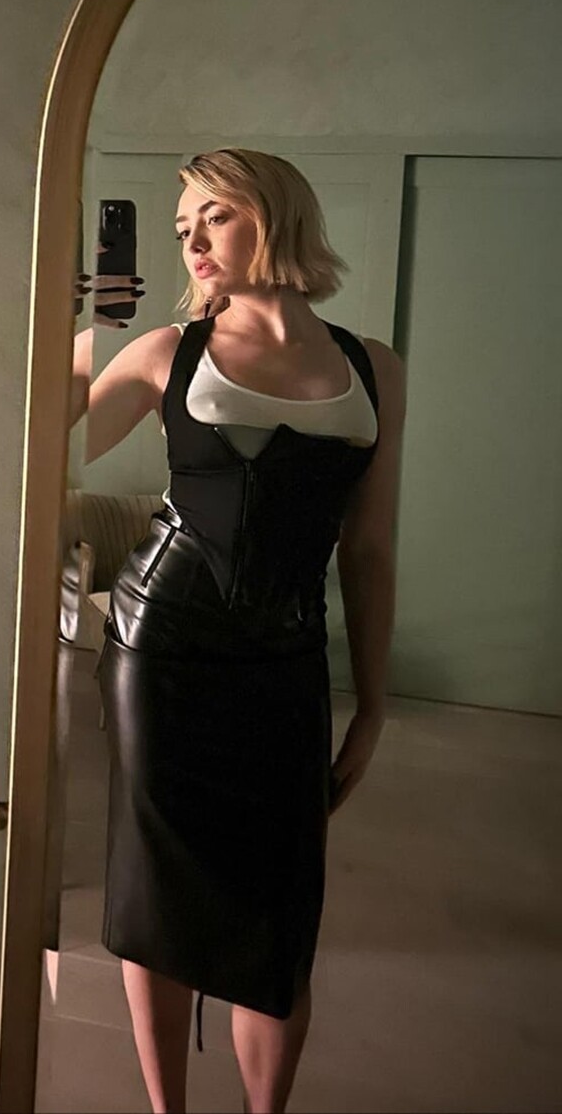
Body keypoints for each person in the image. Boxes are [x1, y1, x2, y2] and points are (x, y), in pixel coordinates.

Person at [69, 148, 406, 1114]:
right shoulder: (167, 351)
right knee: (158, 891)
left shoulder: (372, 367)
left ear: (274, 212)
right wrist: (91, 337)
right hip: (160, 649)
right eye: (184, 227)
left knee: (279, 909)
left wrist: (372, 704)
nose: (194, 240)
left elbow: (368, 548)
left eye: (213, 215)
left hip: (287, 657)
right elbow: (46, 453)